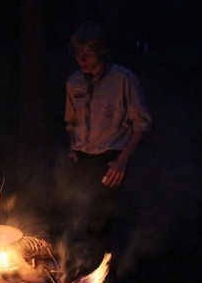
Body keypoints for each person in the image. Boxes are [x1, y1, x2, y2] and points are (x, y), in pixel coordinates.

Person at [61, 21, 152, 250]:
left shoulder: (123, 80)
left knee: (100, 219)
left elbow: (141, 123)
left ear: (101, 50)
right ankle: (78, 264)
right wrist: (73, 147)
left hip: (110, 159)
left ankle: (101, 272)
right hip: (82, 157)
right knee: (77, 212)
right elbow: (71, 122)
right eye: (78, 54)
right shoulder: (74, 82)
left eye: (88, 54)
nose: (82, 60)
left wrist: (122, 161)